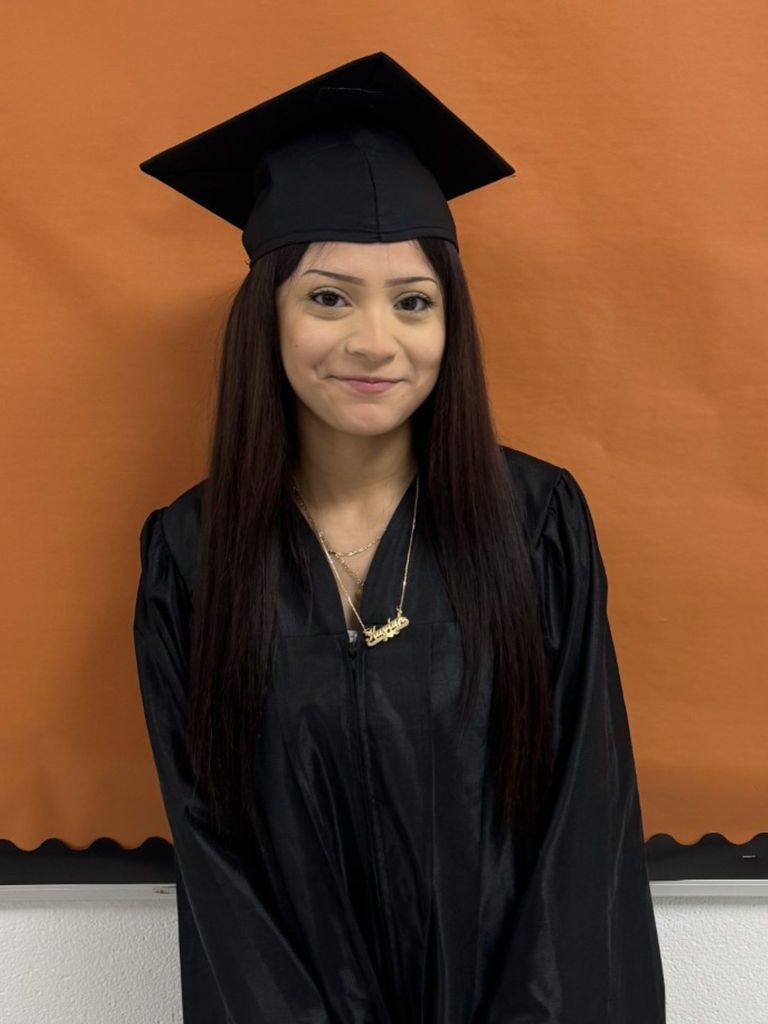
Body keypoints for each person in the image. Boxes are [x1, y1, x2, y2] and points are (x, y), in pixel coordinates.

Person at [133, 51, 666, 1024]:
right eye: (329, 296)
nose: (375, 340)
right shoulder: (192, 555)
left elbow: (582, 832)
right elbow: (214, 865)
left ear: (450, 322)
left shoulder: (534, 522)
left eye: (413, 301)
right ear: (269, 317)